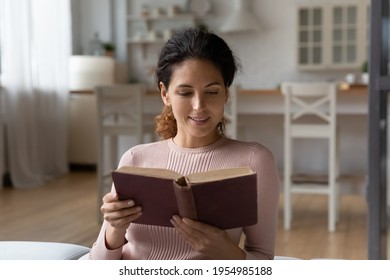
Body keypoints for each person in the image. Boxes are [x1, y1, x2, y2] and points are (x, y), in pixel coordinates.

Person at [89, 27, 280, 260]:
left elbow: (263, 260)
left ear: (226, 94)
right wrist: (114, 229)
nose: (199, 105)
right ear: (165, 94)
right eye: (185, 92)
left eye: (211, 91)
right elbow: (98, 264)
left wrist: (228, 253)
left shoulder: (254, 161)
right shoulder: (135, 159)